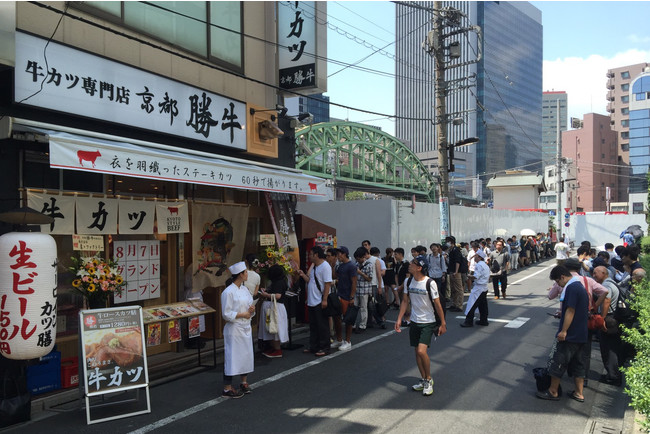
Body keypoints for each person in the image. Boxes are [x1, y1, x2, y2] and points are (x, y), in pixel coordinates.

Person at [395, 255, 447, 397]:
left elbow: (437, 304)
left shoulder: (430, 283)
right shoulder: (408, 281)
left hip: (428, 322)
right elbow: (405, 301)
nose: (410, 264)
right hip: (414, 321)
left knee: (421, 351)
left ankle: (429, 379)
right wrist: (399, 318)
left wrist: (442, 323)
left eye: (413, 263)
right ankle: (423, 379)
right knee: (416, 351)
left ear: (419, 268)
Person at [537, 265, 589, 402]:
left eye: (557, 282)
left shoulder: (571, 288)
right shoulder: (579, 286)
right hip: (581, 333)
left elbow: (570, 311)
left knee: (558, 362)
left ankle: (553, 391)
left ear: (562, 277)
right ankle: (579, 393)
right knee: (578, 364)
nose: (558, 285)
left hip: (570, 334)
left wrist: (564, 331)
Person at [221, 261, 256, 398]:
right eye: (246, 272)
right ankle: (227, 387)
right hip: (234, 328)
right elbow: (226, 313)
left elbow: (249, 305)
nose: (247, 274)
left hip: (245, 326)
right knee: (232, 356)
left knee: (246, 355)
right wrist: (242, 314)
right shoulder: (228, 292)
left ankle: (244, 381)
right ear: (240, 275)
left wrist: (251, 310)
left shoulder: (245, 289)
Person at [298, 246, 332, 357]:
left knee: (322, 325)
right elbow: (310, 280)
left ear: (316, 255)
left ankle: (325, 347)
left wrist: (325, 300)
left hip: (320, 300)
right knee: (313, 325)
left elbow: (327, 284)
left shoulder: (325, 266)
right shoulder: (314, 267)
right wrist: (303, 275)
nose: (309, 256)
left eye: (311, 254)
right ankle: (314, 346)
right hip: (312, 301)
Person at [592, 266, 622, 386]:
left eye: (596, 273)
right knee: (611, 348)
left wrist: (601, 319)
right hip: (612, 317)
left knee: (608, 349)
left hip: (609, 317)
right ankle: (613, 374)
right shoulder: (611, 282)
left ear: (604, 273)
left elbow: (606, 301)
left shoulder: (607, 284)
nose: (594, 275)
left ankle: (613, 376)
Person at [258, 264, 289, 358]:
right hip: (276, 307)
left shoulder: (278, 282)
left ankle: (277, 349)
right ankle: (275, 348)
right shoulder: (281, 281)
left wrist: (266, 295)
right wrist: (267, 290)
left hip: (275, 308)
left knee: (274, 327)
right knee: (272, 327)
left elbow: (278, 295)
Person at [334, 246, 357, 351]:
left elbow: (354, 282)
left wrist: (352, 297)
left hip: (347, 296)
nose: (338, 256)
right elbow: (335, 276)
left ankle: (348, 341)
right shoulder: (340, 266)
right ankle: (339, 339)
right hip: (339, 294)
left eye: (339, 254)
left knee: (348, 319)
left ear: (344, 254)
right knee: (337, 318)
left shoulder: (351, 266)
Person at [460, 249, 489, 327]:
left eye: (475, 256)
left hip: (478, 288)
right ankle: (484, 320)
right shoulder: (485, 265)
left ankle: (469, 321)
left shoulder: (479, 265)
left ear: (479, 257)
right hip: (484, 287)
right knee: (483, 305)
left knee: (471, 304)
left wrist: (469, 276)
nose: (474, 258)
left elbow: (476, 276)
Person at [353, 247, 373, 333]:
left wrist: (360, 273)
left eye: (359, 259)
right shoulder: (355, 264)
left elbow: (369, 279)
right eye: (356, 259)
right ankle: (352, 324)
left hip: (365, 290)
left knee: (363, 308)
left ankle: (362, 325)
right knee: (353, 307)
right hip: (356, 289)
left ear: (363, 257)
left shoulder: (369, 265)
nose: (358, 260)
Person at [446, 236, 467, 312]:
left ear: (451, 241)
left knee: (458, 289)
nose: (447, 243)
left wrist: (456, 271)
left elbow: (457, 261)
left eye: (448, 241)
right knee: (453, 288)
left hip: (456, 272)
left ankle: (459, 305)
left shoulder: (456, 250)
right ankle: (454, 304)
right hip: (451, 271)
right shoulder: (451, 250)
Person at [427, 243, 447, 315]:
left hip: (439, 275)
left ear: (438, 248)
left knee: (437, 290)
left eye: (435, 247)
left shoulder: (441, 257)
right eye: (432, 247)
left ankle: (438, 304)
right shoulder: (429, 256)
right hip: (431, 275)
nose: (434, 249)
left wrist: (443, 275)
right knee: (431, 290)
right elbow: (427, 265)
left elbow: (443, 266)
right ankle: (432, 304)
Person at [394, 247, 411, 327]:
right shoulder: (397, 264)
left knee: (406, 302)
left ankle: (408, 319)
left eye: (396, 254)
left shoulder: (406, 264)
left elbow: (407, 276)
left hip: (405, 286)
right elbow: (396, 275)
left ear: (401, 254)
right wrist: (398, 285)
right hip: (400, 286)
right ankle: (405, 319)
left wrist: (401, 286)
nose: (394, 256)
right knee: (402, 302)